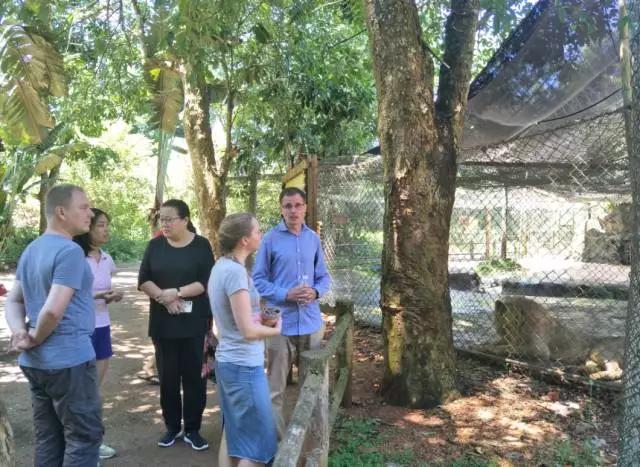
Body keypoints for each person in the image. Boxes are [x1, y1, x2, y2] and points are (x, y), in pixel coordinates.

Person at [5, 184, 103, 466]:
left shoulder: (32, 249)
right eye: (83, 207)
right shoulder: (70, 251)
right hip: (69, 360)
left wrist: (20, 332)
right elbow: (52, 310)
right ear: (61, 212)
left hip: (36, 363)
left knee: (49, 437)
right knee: (83, 438)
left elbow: (14, 300)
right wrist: (34, 336)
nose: (90, 213)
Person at [252, 187, 331, 438]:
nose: (293, 210)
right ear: (281, 209)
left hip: (310, 323)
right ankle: (277, 443)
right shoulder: (270, 239)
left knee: (313, 386)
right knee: (276, 388)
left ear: (305, 207)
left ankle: (312, 440)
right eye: (287, 206)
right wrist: (286, 294)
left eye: (298, 205)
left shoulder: (313, 239)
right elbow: (258, 280)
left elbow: (323, 277)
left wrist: (316, 292)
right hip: (278, 324)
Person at [138, 199, 215, 451]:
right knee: (168, 378)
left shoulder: (201, 245)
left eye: (170, 219)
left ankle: (192, 429)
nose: (165, 223)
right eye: (162, 219)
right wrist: (165, 298)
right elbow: (144, 279)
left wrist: (177, 293)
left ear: (185, 220)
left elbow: (206, 281)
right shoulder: (155, 245)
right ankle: (172, 427)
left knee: (194, 379)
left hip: (194, 323)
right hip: (163, 324)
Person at [208, 213, 281, 466]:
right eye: (257, 231)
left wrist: (261, 319)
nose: (261, 234)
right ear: (244, 240)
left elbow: (238, 318)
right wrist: (275, 330)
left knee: (233, 434)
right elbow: (248, 332)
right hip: (243, 367)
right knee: (259, 448)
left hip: (230, 363)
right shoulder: (235, 273)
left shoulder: (221, 266)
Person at [73, 208, 123, 460]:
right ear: (87, 228)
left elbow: (102, 291)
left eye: (107, 225)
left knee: (94, 390)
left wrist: (110, 296)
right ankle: (79, 444)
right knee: (78, 390)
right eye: (100, 225)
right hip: (79, 329)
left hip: (102, 327)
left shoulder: (107, 258)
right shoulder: (74, 257)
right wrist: (98, 295)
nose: (106, 230)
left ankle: (93, 442)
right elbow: (70, 294)